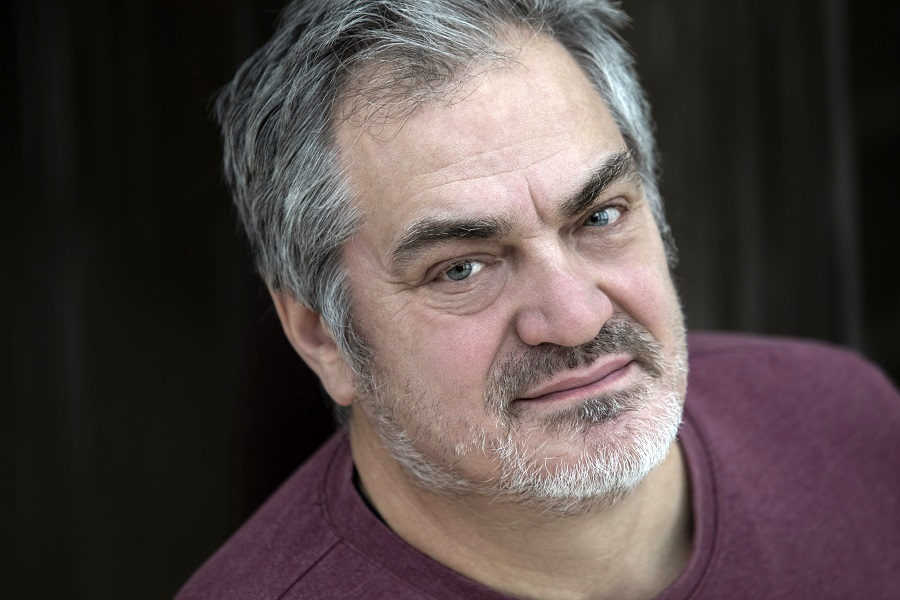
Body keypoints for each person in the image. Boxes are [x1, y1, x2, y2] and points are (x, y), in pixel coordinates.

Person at [176, 1, 900, 598]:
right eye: (462, 268)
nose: (577, 319)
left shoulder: (848, 426)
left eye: (600, 216)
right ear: (323, 338)